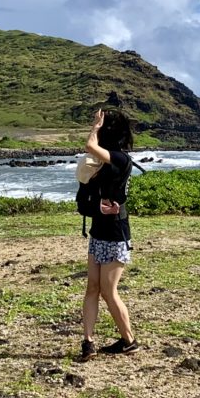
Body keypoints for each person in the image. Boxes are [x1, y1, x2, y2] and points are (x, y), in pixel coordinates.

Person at [80, 108, 138, 361]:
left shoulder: (121, 159)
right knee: (92, 288)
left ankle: (129, 340)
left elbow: (90, 146)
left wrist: (95, 127)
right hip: (99, 231)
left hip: (116, 233)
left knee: (108, 290)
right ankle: (88, 342)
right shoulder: (103, 165)